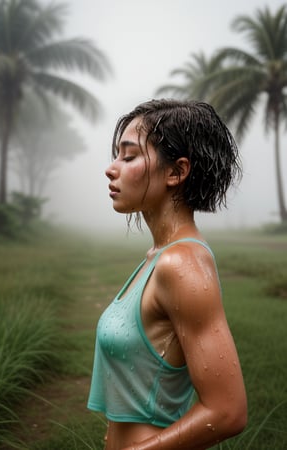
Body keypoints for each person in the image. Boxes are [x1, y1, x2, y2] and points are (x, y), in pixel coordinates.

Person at [87, 99, 247, 450]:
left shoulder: (181, 265)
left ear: (177, 172)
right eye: (117, 155)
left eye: (128, 157)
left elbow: (228, 411)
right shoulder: (157, 257)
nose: (111, 169)